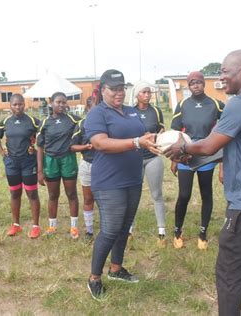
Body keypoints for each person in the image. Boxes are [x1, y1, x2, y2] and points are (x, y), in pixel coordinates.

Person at [164, 50, 241, 315]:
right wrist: (189, 153)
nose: (221, 78)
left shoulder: (239, 104)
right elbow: (227, 147)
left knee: (229, 272)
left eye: (225, 72)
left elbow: (208, 146)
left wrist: (182, 146)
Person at [84, 69, 160, 301]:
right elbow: (101, 143)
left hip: (132, 178)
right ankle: (94, 278)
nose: (119, 93)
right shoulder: (97, 114)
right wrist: (137, 141)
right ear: (102, 89)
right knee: (110, 230)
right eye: (114, 89)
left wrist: (158, 140)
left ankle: (116, 269)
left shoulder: (131, 111)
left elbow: (142, 135)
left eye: (122, 88)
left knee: (125, 227)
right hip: (109, 182)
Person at [169, 71, 225, 250]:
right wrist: (175, 159)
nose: (195, 85)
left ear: (204, 84)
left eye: (199, 82)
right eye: (192, 83)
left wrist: (222, 163)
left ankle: (203, 233)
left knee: (206, 194)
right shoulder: (183, 104)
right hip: (186, 156)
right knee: (184, 195)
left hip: (207, 156)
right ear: (188, 85)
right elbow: (176, 132)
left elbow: (226, 131)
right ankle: (177, 232)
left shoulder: (216, 104)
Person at [0, 93, 42, 238]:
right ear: (10, 105)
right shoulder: (6, 121)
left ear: (24, 104)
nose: (18, 107)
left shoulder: (32, 121)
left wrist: (36, 146)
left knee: (32, 193)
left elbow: (43, 133)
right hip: (12, 163)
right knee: (15, 193)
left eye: (20, 104)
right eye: (15, 104)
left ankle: (35, 226)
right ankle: (15, 225)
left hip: (28, 162)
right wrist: (2, 152)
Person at [36, 92, 81, 239]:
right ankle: (52, 226)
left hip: (68, 159)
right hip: (51, 161)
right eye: (58, 102)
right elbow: (40, 147)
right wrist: (40, 171)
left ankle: (74, 227)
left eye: (64, 102)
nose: (61, 105)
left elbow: (86, 128)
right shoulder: (45, 123)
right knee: (53, 195)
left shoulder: (74, 120)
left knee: (71, 194)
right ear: (51, 102)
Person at [130, 80, 167, 247]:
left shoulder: (156, 111)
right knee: (132, 195)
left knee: (157, 194)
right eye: (144, 92)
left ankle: (161, 231)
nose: (147, 95)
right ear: (137, 95)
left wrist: (155, 137)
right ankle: (128, 229)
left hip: (153, 157)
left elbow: (161, 130)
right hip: (134, 158)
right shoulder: (130, 112)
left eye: (149, 92)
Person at [70, 91, 99, 241]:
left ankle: (108, 230)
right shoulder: (82, 124)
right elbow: (73, 147)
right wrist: (86, 147)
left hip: (105, 166)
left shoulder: (106, 122)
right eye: (94, 108)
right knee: (88, 199)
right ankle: (89, 231)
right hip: (87, 164)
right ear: (88, 109)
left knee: (105, 199)